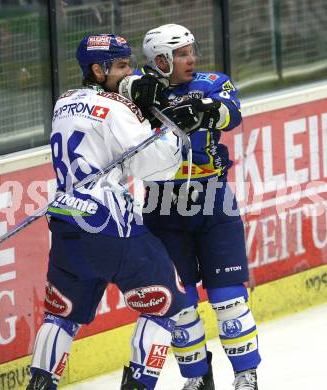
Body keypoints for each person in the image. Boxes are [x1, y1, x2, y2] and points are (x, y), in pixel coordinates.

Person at [26, 33, 200, 390]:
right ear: (97, 69)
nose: (129, 72)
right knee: (165, 305)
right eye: (121, 65)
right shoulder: (116, 108)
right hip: (111, 225)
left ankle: (40, 384)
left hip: (67, 225)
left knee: (60, 317)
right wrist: (162, 122)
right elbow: (155, 168)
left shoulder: (64, 101)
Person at [119, 24, 261, 390]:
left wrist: (203, 109)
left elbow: (232, 113)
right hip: (164, 210)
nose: (191, 59)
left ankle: (247, 377)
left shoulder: (213, 82)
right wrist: (131, 89)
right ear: (160, 61)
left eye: (191, 51)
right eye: (181, 54)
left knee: (228, 298)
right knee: (180, 305)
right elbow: (115, 92)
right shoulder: (140, 91)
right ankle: (197, 380)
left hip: (214, 201)